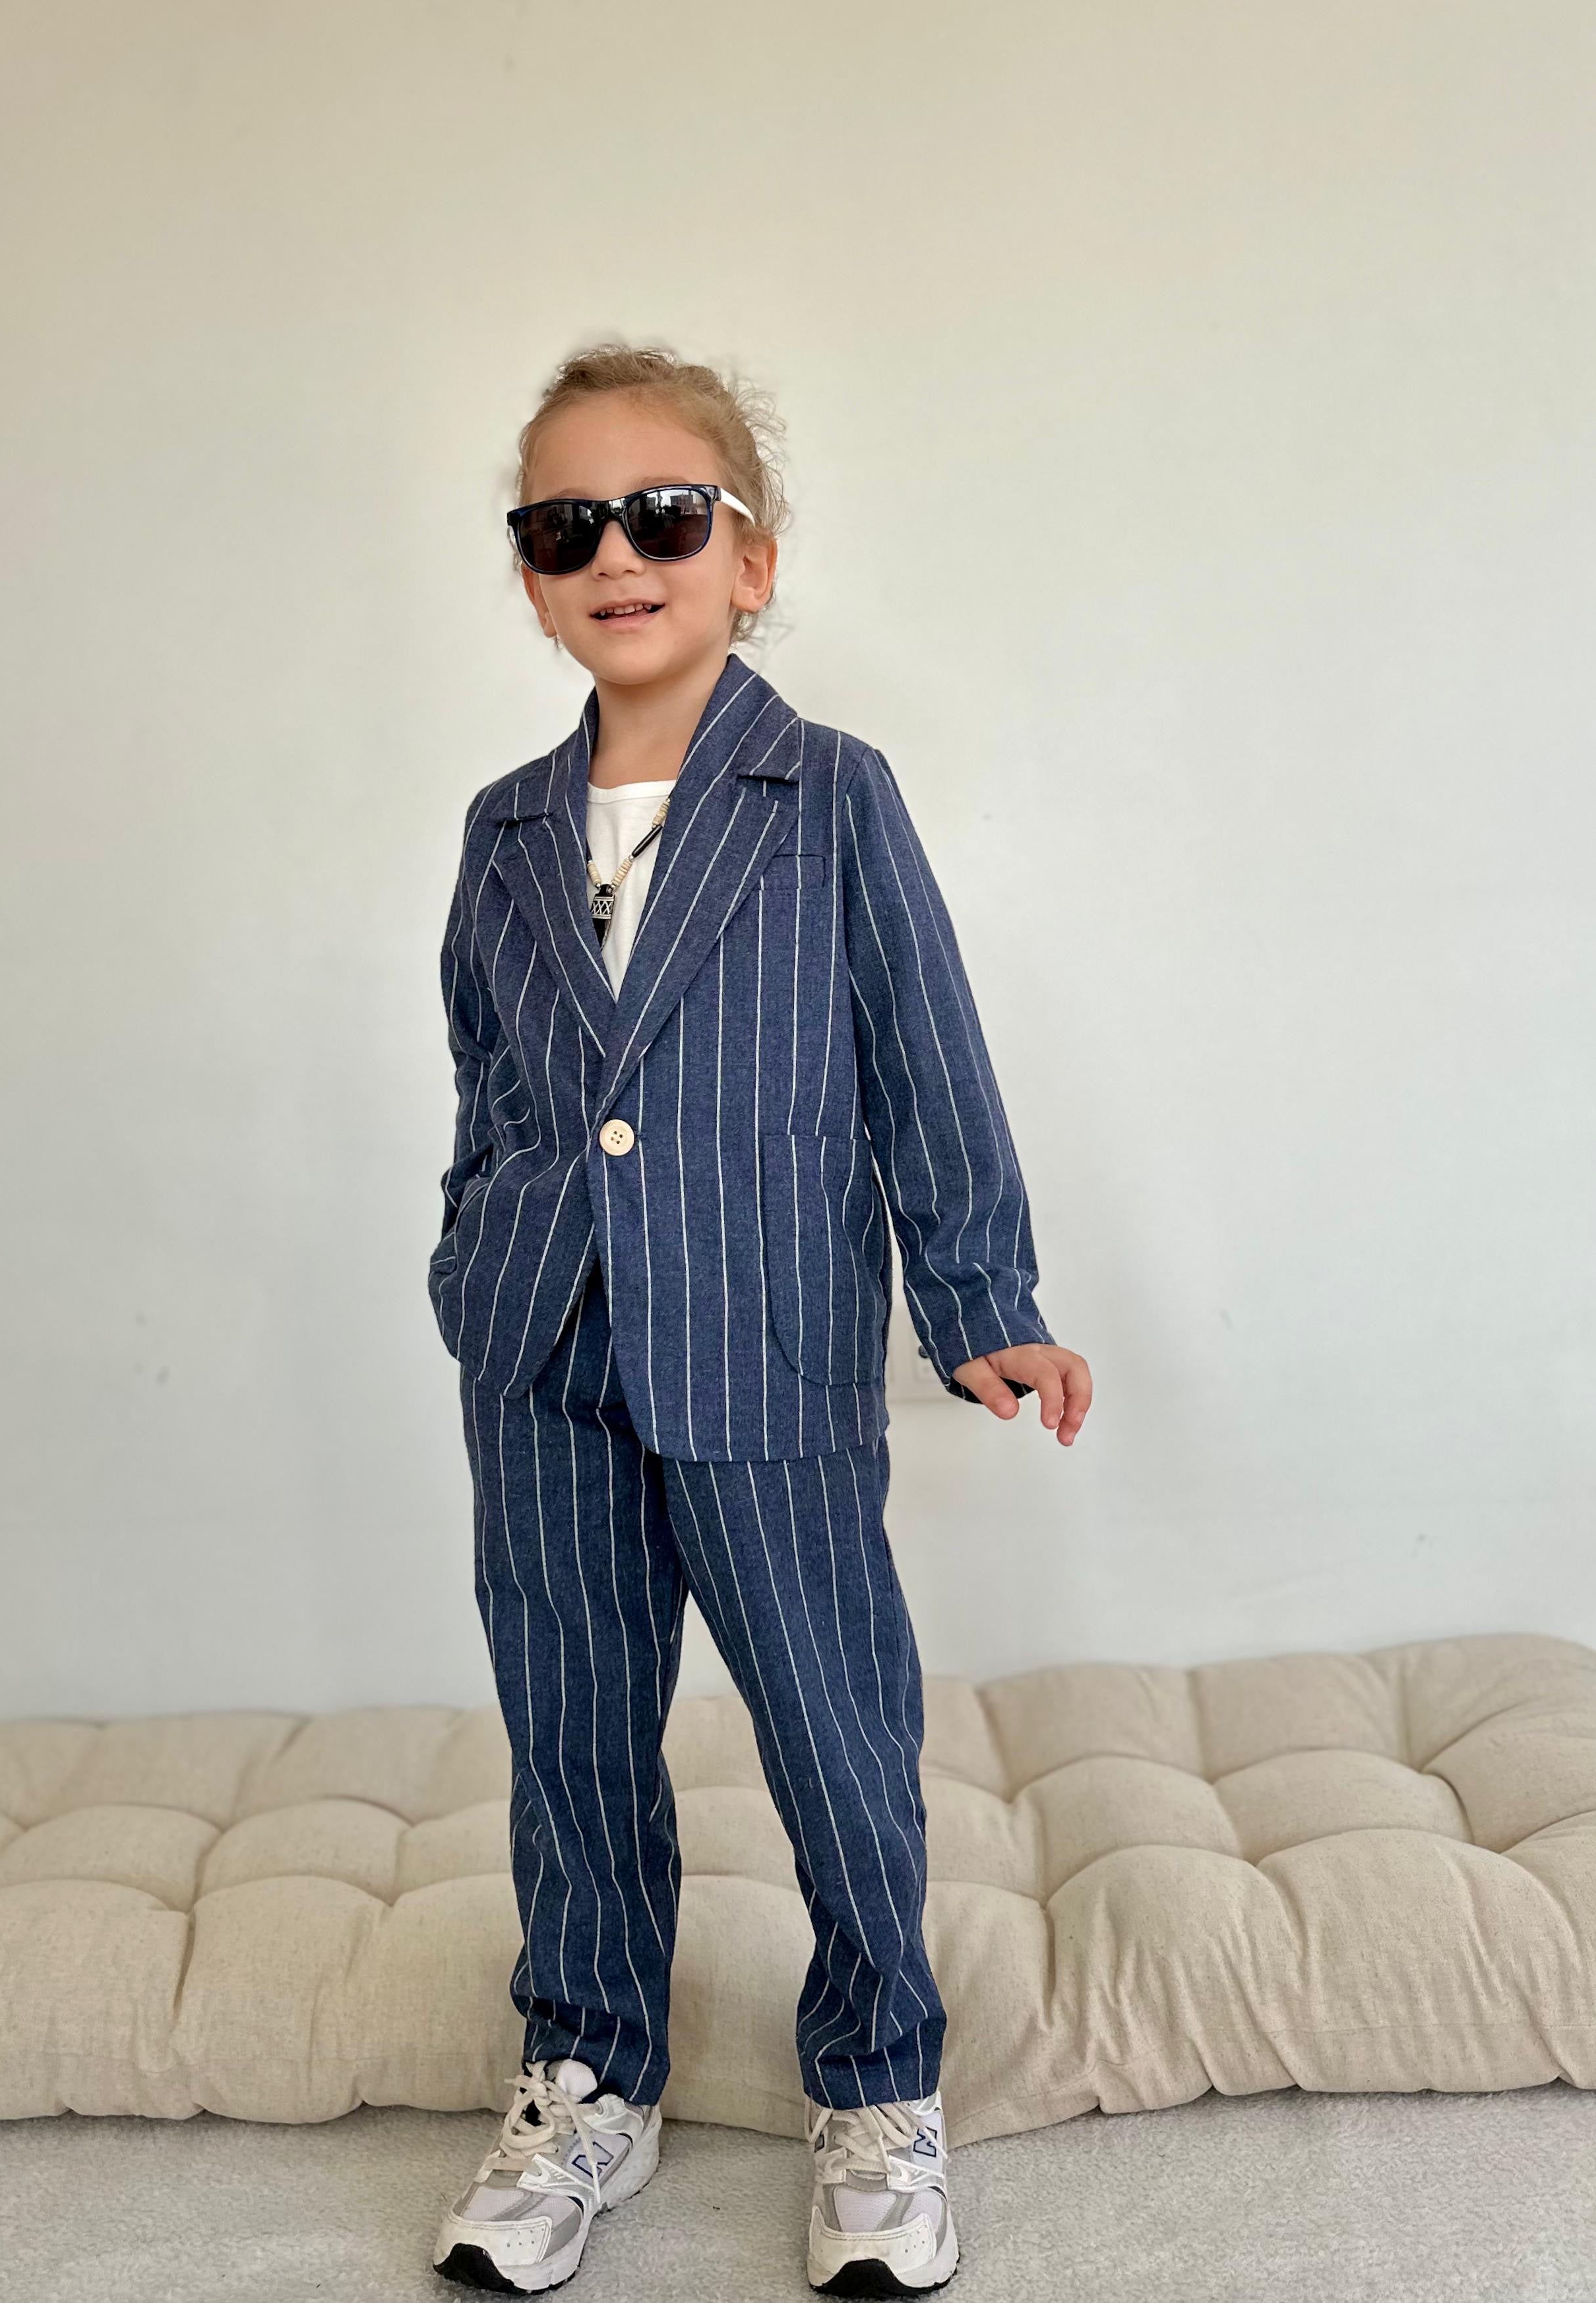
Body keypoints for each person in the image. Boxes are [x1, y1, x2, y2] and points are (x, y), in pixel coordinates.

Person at [425, 340, 1091, 2296]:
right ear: (532, 574)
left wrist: (983, 1295)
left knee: (831, 1722)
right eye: (566, 527)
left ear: (751, 557)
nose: (615, 556)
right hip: (542, 1349)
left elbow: (922, 1050)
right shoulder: (503, 827)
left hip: (766, 1342)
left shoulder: (829, 793)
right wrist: (473, 1257)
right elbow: (491, 1075)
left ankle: (878, 2084)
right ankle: (587, 2069)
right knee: (571, 1731)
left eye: (661, 515)